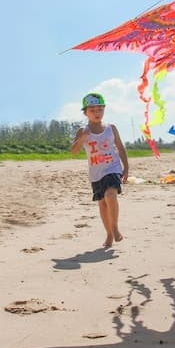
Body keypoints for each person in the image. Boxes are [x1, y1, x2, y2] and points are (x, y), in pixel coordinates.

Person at [70, 92, 130, 248]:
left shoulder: (111, 128)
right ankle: (109, 234)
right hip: (96, 173)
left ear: (104, 110)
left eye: (100, 110)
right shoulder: (82, 130)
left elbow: (120, 147)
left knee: (111, 195)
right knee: (102, 204)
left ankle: (115, 228)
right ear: (85, 113)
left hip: (113, 168)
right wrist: (83, 137)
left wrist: (126, 167)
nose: (97, 113)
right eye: (92, 110)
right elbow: (74, 151)